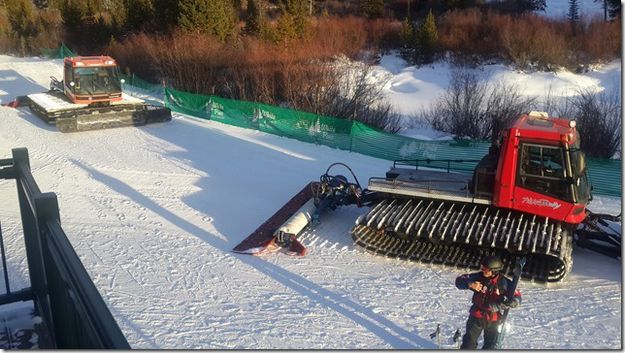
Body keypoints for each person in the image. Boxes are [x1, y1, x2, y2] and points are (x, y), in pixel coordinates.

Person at [455, 255, 522, 349]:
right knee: (468, 343)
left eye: (485, 269)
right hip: (476, 315)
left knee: (490, 346)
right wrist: (469, 284)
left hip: (494, 318)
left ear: (494, 270)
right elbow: (459, 281)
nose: (482, 270)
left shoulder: (504, 283)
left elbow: (517, 297)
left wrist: (513, 302)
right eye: (482, 268)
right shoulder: (479, 277)